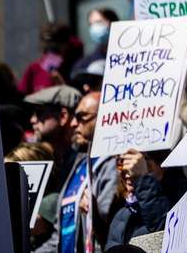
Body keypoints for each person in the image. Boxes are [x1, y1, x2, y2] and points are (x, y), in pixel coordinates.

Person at [40, 91, 119, 253]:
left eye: (82, 116)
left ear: (104, 117)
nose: (74, 123)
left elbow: (110, 221)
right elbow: (60, 236)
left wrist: (93, 210)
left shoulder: (113, 162)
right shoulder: (79, 164)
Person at [106, 149, 187, 246]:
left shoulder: (182, 198)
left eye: (139, 161)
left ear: (162, 165)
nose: (128, 169)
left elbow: (163, 233)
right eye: (122, 161)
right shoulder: (121, 215)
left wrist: (143, 179)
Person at [25, 85, 82, 196]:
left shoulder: (81, 163)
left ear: (63, 117)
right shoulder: (35, 158)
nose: (32, 120)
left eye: (39, 113)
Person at [20, 23, 83, 95]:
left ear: (66, 45)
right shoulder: (34, 69)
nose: (51, 54)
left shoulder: (76, 69)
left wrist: (63, 86)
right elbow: (21, 95)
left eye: (56, 49)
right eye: (47, 48)